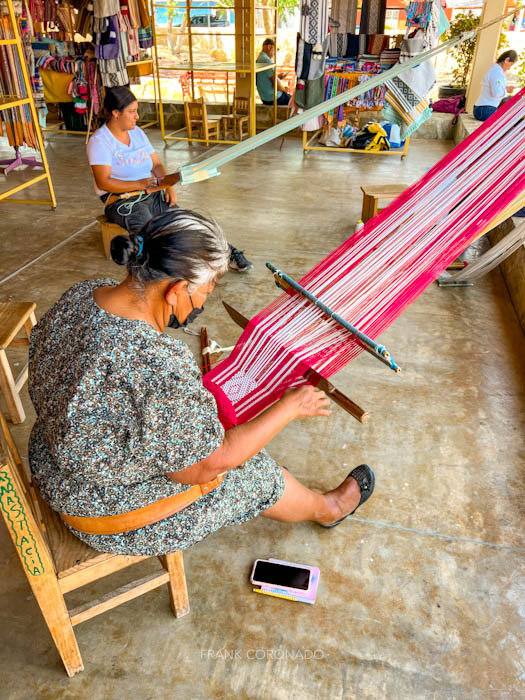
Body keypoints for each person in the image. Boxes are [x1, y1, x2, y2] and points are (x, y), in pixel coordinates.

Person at [28, 208, 375, 557]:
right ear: (177, 290)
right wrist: (290, 407)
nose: (203, 301)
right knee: (252, 471)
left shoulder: (82, 295)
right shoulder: (159, 367)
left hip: (54, 462)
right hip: (101, 507)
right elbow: (205, 466)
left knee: (232, 443)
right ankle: (327, 509)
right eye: (205, 292)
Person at [87, 86, 252, 272]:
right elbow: (104, 182)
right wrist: (139, 184)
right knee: (157, 235)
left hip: (152, 192)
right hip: (124, 201)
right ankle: (191, 267)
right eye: (132, 112)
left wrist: (167, 185)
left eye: (136, 111)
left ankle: (226, 253)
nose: (137, 116)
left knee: (188, 221)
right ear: (116, 113)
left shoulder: (137, 133)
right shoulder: (100, 141)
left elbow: (156, 165)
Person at [473, 50, 517, 122]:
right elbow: (496, 93)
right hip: (485, 110)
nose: (509, 68)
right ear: (507, 60)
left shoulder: (494, 70)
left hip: (481, 109)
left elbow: (494, 88)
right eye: (511, 65)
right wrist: (507, 90)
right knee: (511, 120)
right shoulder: (497, 72)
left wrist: (505, 88)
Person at [256, 38, 291, 106]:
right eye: (274, 51)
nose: (274, 54)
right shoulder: (266, 60)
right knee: (295, 103)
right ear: (269, 47)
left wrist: (278, 77)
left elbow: (266, 79)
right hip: (273, 97)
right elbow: (275, 83)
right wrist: (284, 89)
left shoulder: (260, 58)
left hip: (265, 97)